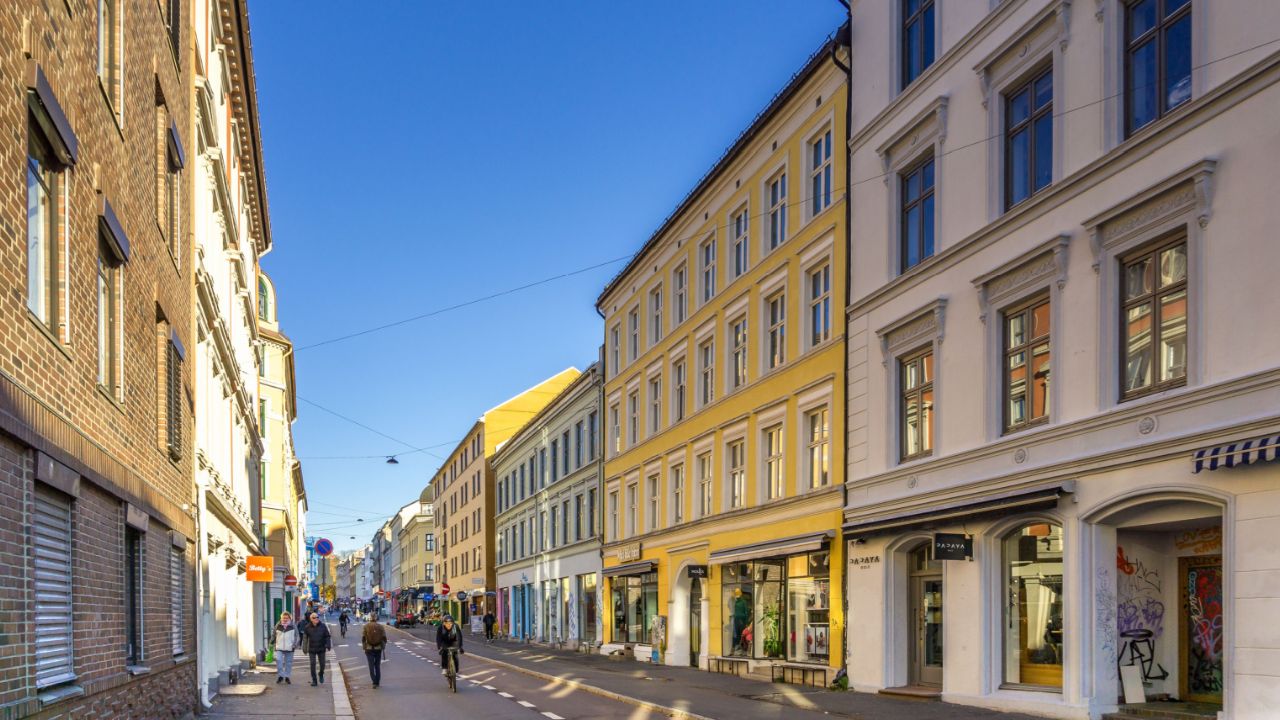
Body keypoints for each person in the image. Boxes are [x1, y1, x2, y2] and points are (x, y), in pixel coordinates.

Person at [300, 611, 332, 686]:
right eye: (314, 618)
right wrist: (304, 649)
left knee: (323, 665)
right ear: (311, 619)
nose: (316, 619)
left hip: (321, 648)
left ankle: (321, 673)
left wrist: (328, 645)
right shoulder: (307, 627)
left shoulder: (323, 626)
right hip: (312, 649)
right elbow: (305, 639)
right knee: (312, 664)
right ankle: (314, 680)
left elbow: (327, 636)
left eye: (317, 617)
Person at [361, 615, 388, 689]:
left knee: (371, 665)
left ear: (370, 618)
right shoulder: (380, 626)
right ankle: (377, 681)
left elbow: (363, 637)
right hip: (378, 648)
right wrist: (383, 645)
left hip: (369, 648)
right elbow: (384, 637)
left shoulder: (366, 626)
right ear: (376, 618)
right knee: (377, 665)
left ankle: (374, 681)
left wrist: (364, 646)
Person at [273, 612, 299, 685]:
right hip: (279, 647)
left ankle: (287, 677)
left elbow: (297, 636)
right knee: (279, 662)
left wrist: (294, 645)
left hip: (290, 647)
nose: (285, 619)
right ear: (281, 618)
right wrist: (271, 643)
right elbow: (273, 635)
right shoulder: (278, 625)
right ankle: (281, 675)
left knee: (288, 663)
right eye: (283, 618)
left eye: (286, 618)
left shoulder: (293, 626)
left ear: (289, 618)